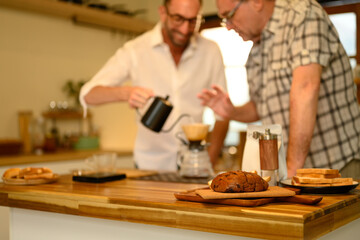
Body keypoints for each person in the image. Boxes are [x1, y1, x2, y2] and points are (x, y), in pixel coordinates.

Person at [198, 0, 360, 177]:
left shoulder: (302, 16)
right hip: (294, 172)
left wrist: (290, 173)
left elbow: (306, 88)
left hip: (337, 166)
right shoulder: (256, 51)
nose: (228, 27)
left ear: (256, 2)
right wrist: (232, 111)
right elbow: (260, 108)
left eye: (229, 16)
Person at [79, 0, 229, 171]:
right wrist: (126, 93)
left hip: (194, 167)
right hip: (148, 167)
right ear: (163, 12)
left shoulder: (210, 51)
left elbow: (223, 114)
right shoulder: (136, 50)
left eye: (193, 20)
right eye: (178, 19)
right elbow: (87, 95)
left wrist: (209, 160)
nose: (185, 29)